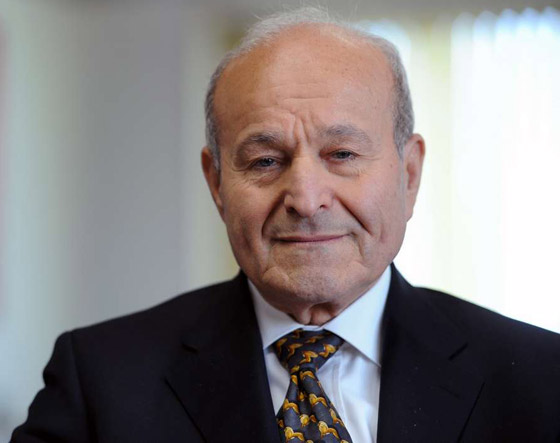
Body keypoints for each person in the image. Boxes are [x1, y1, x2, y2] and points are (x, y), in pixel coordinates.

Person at [12, 7, 560, 443]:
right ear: (217, 183)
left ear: (409, 174)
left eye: (342, 154)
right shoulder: (100, 382)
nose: (306, 199)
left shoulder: (541, 379)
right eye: (266, 160)